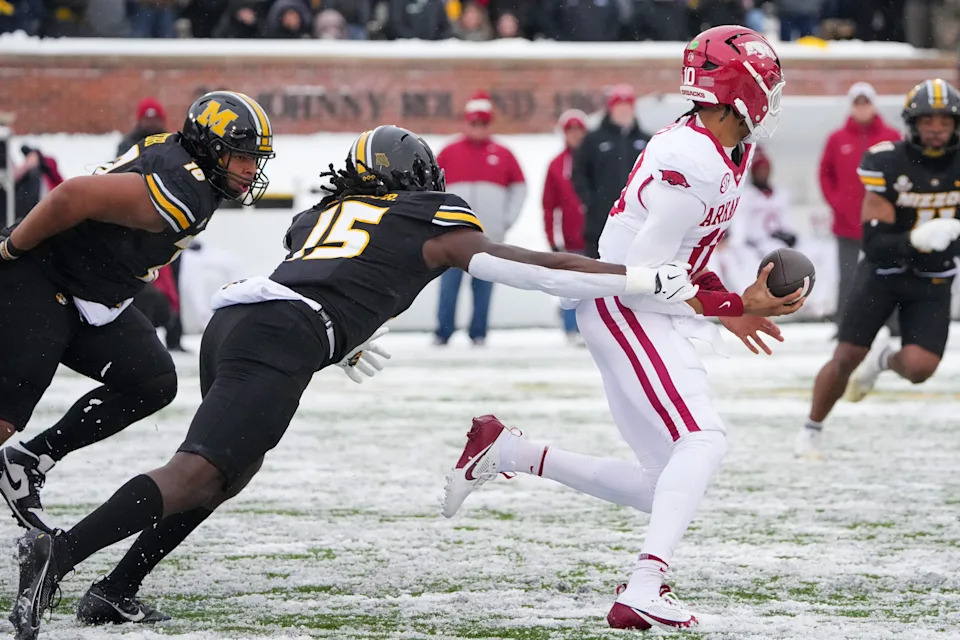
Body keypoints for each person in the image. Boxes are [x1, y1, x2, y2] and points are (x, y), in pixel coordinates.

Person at [8, 124, 698, 638]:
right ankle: (58, 553)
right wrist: (634, 278)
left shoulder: (323, 213)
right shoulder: (431, 214)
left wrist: (344, 334)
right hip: (285, 333)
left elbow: (333, 264)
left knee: (230, 469)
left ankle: (115, 590)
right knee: (196, 471)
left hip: (245, 320)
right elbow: (524, 266)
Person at [441, 25, 803, 631]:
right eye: (765, 81)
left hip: (635, 302)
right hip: (626, 305)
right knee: (704, 440)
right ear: (741, 90)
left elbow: (680, 262)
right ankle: (643, 586)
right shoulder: (694, 159)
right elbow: (649, 275)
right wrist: (732, 304)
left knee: (659, 483)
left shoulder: (718, 148)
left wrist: (727, 302)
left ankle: (510, 451)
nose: (771, 94)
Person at [0, 91, 275, 545]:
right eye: (241, 155)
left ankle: (27, 462)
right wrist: (10, 248)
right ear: (209, 146)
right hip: (43, 277)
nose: (250, 169)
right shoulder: (184, 189)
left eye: (254, 158)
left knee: (152, 380)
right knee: (8, 411)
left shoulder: (188, 169)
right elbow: (72, 196)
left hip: (94, 297)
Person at [797, 79, 960, 458]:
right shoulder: (888, 161)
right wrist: (917, 239)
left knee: (920, 368)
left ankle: (884, 360)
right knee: (844, 359)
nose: (936, 128)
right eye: (928, 120)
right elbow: (875, 244)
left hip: (934, 277)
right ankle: (812, 428)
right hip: (884, 275)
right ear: (912, 123)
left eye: (945, 121)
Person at [434, 91, 526, 346]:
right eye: (474, 122)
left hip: (488, 236)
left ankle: (479, 333)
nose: (478, 128)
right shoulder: (449, 152)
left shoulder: (503, 154)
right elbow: (430, 189)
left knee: (483, 287)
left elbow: (519, 189)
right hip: (453, 236)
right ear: (466, 122)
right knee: (449, 286)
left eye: (483, 123)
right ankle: (443, 332)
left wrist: (505, 221)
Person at [818, 82, 901, 325]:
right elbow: (825, 173)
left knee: (889, 273)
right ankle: (845, 324)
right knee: (849, 276)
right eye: (858, 103)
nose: (862, 109)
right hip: (847, 223)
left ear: (874, 105)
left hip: (884, 222)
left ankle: (894, 324)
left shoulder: (891, 136)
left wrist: (894, 206)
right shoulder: (837, 138)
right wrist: (837, 202)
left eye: (866, 103)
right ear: (851, 107)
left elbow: (903, 172)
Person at [573, 83, 650, 258]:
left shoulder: (646, 141)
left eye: (626, 106)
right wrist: (592, 201)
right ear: (611, 109)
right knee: (598, 274)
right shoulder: (593, 140)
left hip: (638, 222)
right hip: (600, 222)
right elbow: (579, 173)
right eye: (618, 106)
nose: (623, 111)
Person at [716, 146, 797, 293]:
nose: (763, 173)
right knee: (732, 260)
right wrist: (730, 241)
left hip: (773, 240)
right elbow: (736, 224)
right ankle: (745, 301)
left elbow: (788, 224)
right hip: (750, 244)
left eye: (765, 169)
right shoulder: (744, 194)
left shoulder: (781, 194)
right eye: (759, 169)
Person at [543, 109, 588, 343]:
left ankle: (594, 329)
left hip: (595, 235)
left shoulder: (596, 159)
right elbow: (549, 205)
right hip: (570, 238)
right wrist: (552, 237)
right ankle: (571, 328)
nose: (575, 135)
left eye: (578, 130)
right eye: (570, 131)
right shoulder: (557, 165)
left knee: (596, 286)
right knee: (570, 286)